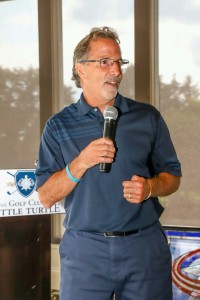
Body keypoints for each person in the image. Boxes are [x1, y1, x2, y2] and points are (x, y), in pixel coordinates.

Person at [36, 26, 182, 300]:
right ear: (81, 69)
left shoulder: (147, 117)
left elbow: (172, 177)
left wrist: (150, 187)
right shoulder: (58, 126)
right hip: (85, 252)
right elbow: (45, 196)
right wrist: (81, 162)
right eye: (105, 61)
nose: (116, 70)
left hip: (144, 248)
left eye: (119, 61)